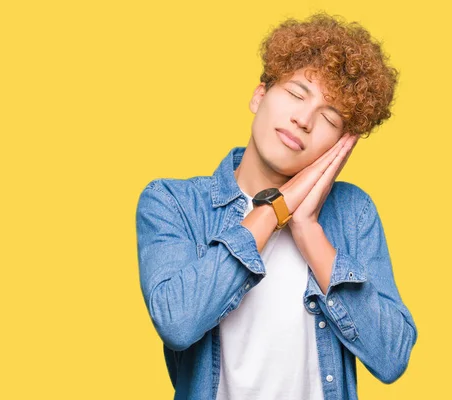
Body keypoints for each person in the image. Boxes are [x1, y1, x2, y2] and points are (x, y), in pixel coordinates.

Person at [134, 11, 418, 400]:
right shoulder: (174, 203)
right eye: (296, 94)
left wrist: (309, 230)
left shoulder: (354, 213)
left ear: (340, 144)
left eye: (329, 117)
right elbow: (178, 323)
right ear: (259, 96)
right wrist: (275, 210)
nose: (303, 119)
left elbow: (392, 357)